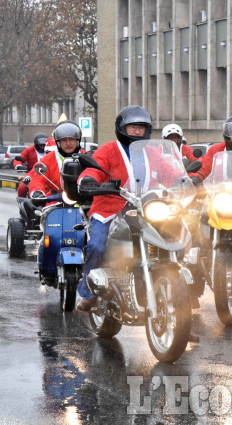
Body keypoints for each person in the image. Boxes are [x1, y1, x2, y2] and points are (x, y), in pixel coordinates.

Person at [74, 105, 153, 312]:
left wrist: (187, 181)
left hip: (146, 210)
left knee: (176, 241)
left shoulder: (152, 152)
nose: (136, 131)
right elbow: (94, 168)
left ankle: (179, 300)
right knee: (97, 245)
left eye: (140, 128)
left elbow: (169, 170)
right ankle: (88, 292)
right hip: (110, 209)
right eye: (132, 127)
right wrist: (89, 179)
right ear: (122, 129)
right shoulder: (108, 150)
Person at [28, 120, 84, 200]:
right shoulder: (48, 159)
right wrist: (37, 191)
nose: (68, 143)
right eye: (64, 140)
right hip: (56, 201)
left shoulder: (87, 157)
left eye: (71, 139)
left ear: (78, 140)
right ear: (58, 142)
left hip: (84, 202)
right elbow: (38, 179)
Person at [14, 133, 49, 198]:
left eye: (44, 145)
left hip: (48, 175)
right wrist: (18, 165)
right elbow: (20, 158)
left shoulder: (51, 150)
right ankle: (21, 201)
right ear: (36, 144)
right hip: (32, 174)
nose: (42, 147)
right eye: (40, 145)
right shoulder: (29, 150)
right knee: (22, 188)